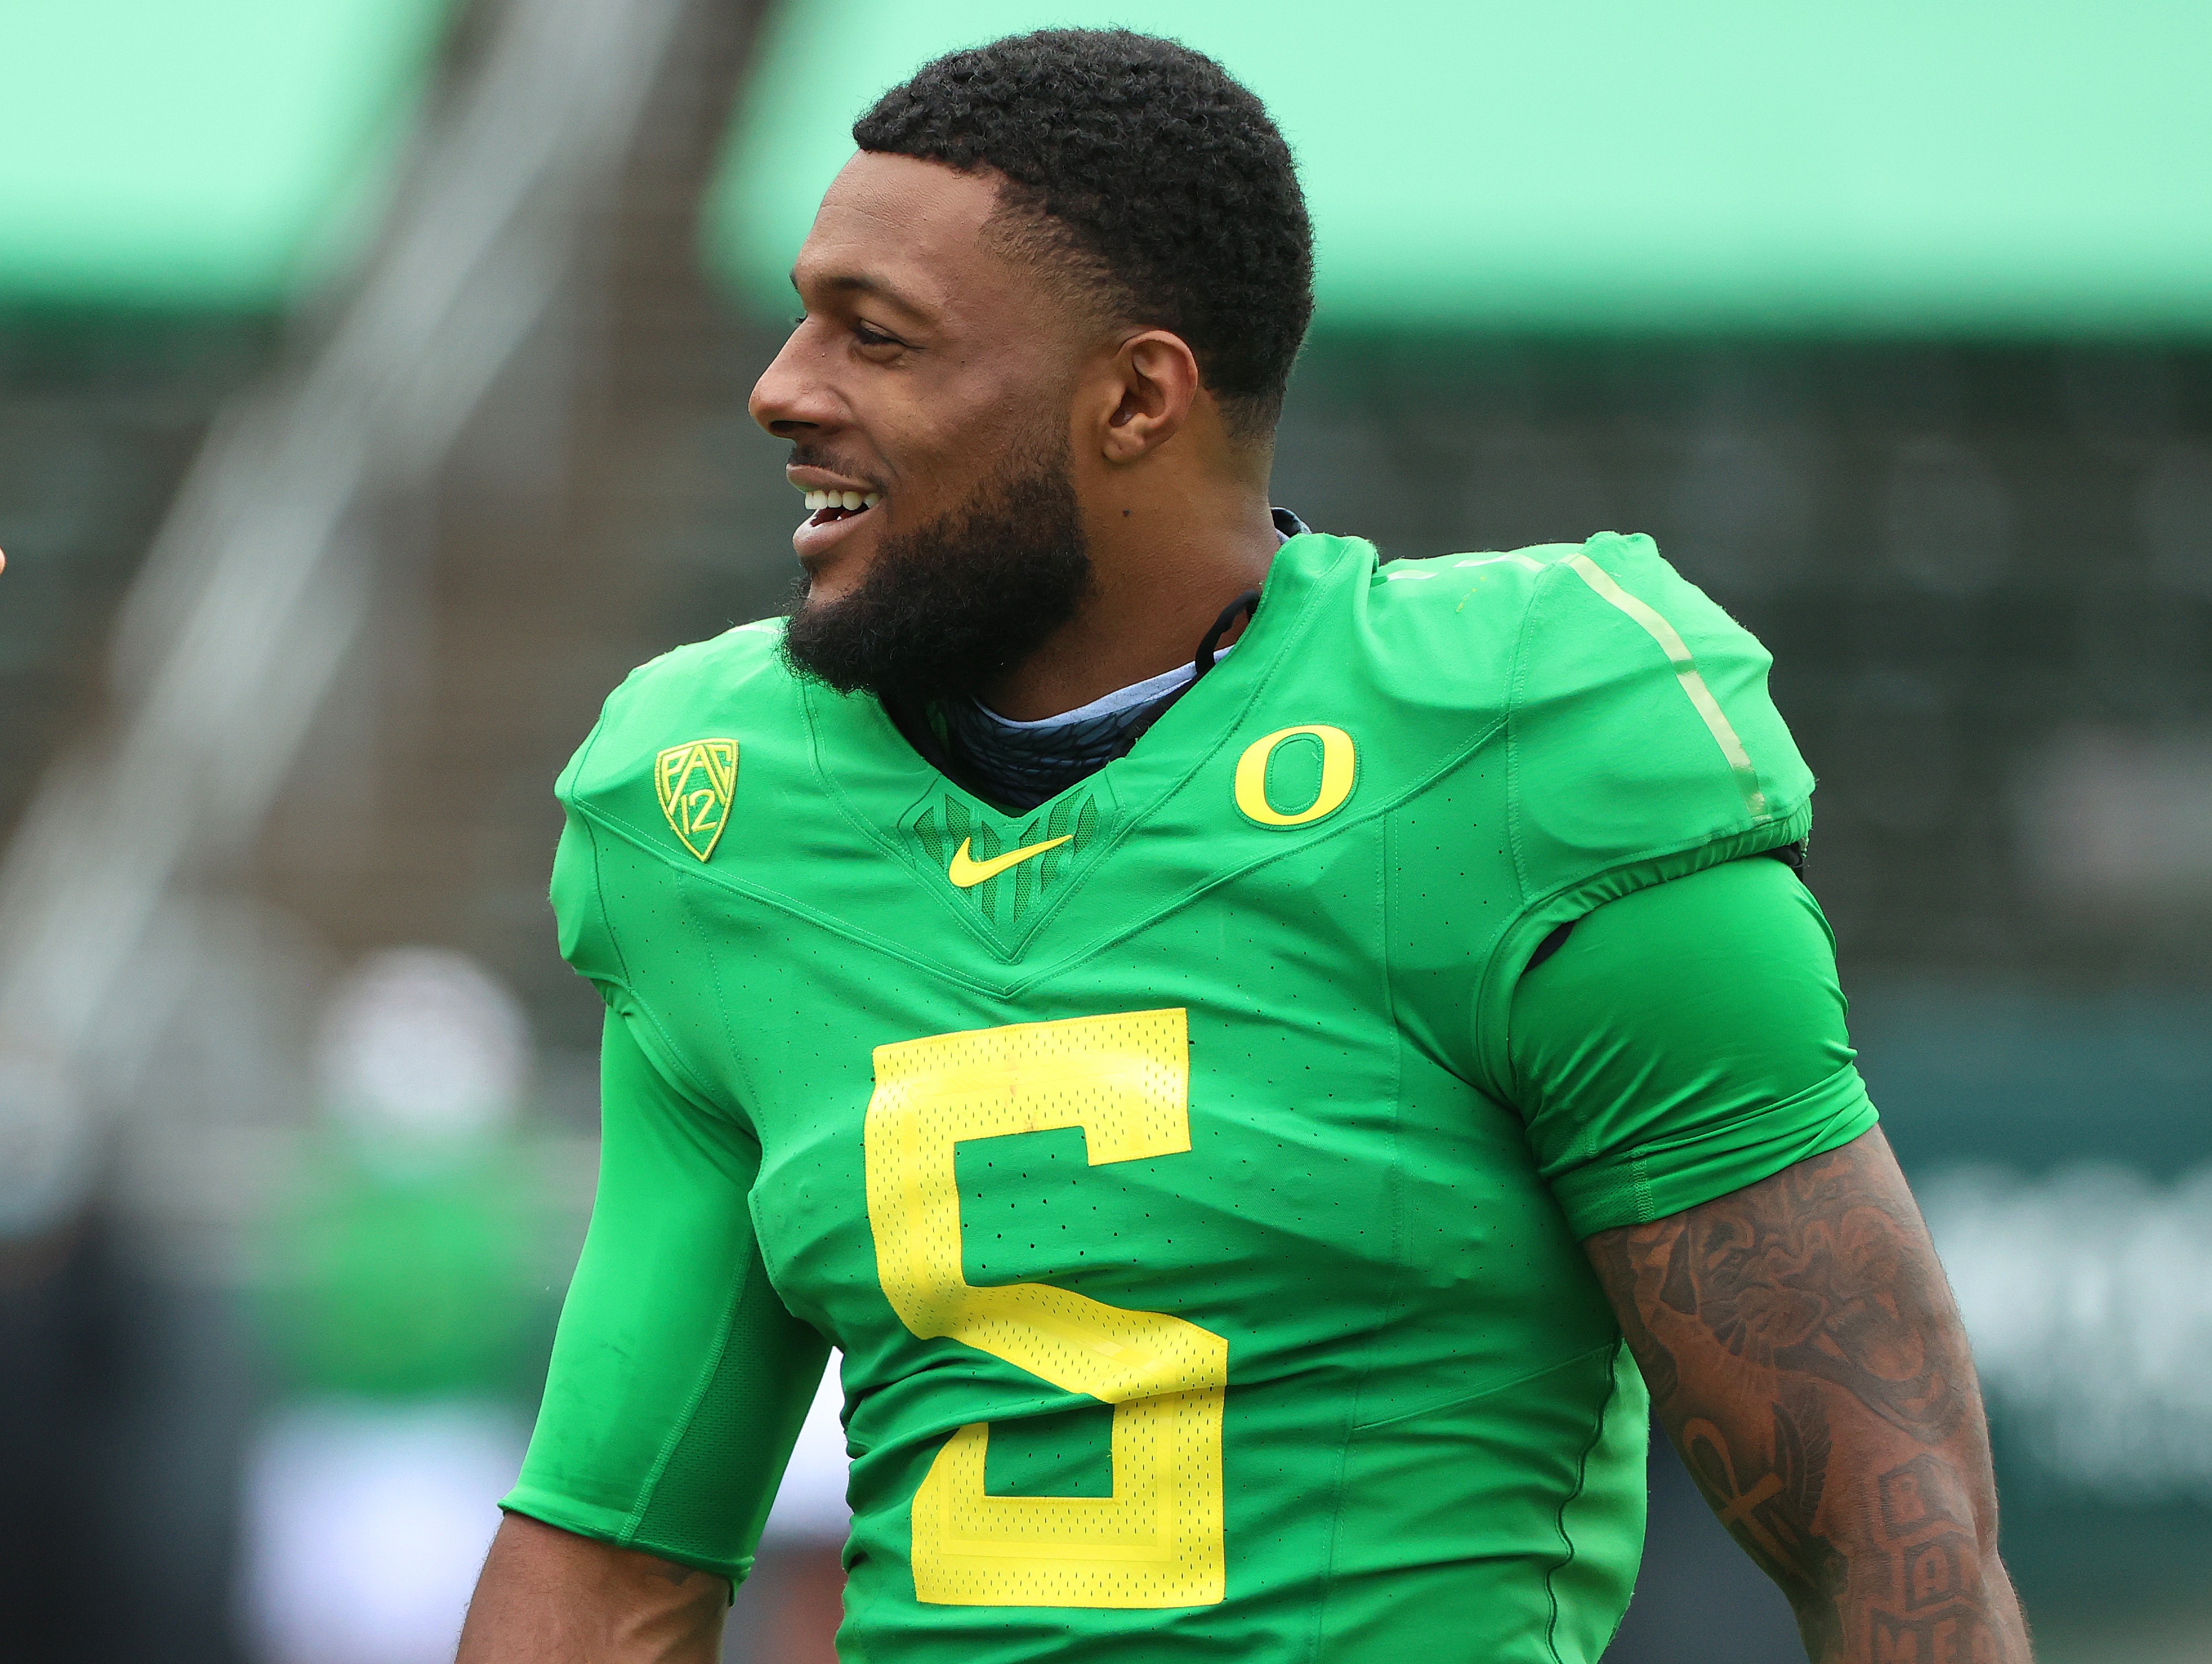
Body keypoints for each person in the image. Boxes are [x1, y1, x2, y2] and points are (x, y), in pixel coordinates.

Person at [457, 29, 2028, 1664]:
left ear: (1137, 394)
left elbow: (1889, 1539)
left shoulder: (1509, 749)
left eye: (878, 337)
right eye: (804, 315)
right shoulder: (720, 813)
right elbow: (611, 1554)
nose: (784, 385)